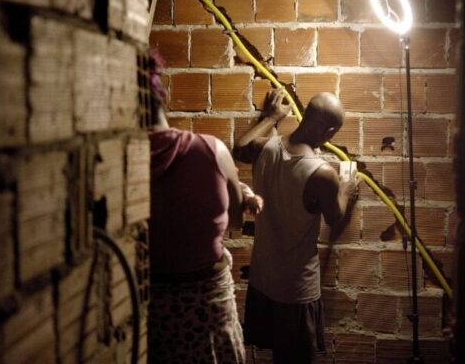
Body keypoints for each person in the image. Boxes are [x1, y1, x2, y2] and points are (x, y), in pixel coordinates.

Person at [234, 88, 361, 363]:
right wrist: (346, 190)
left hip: (264, 280)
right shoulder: (322, 173)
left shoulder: (265, 148)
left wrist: (271, 118)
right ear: (329, 131)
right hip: (297, 289)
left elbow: (240, 146)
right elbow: (335, 217)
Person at [146, 50, 250, 363]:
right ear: (162, 95)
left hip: (153, 308)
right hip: (208, 305)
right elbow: (236, 221)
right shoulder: (209, 149)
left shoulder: (117, 161)